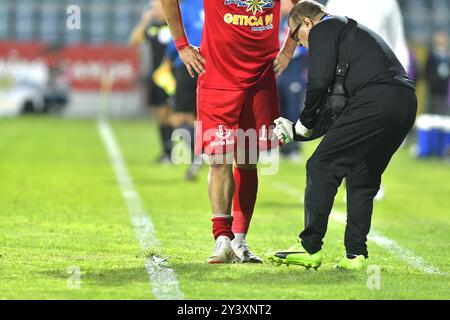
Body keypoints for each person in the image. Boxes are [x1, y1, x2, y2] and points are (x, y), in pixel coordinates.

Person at [271, 0, 417, 270]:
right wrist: (298, 131)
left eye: (295, 36)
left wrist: (302, 123)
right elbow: (339, 115)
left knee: (320, 166)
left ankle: (309, 246)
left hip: (377, 99)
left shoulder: (325, 28)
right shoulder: (346, 37)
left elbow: (319, 81)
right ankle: (355, 254)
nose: (299, 43)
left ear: (307, 23)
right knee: (362, 176)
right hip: (404, 102)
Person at [160, 0, 299, 263]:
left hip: (260, 80)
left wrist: (288, 51)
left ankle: (239, 240)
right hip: (218, 77)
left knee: (248, 161)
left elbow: (306, 9)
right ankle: (221, 239)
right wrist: (181, 46)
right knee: (219, 158)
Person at [129, 1, 173, 164]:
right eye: (153, 8)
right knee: (160, 114)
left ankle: (183, 151)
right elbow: (134, 41)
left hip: (172, 76)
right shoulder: (152, 27)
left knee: (175, 115)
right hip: (156, 76)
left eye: (158, 8)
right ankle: (167, 151)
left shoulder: (175, 26)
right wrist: (145, 21)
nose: (155, 11)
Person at [165, 0, 204, 180]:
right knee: (200, 117)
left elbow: (176, 35)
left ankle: (198, 155)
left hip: (187, 64)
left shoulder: (184, 7)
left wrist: (167, 59)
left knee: (180, 117)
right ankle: (202, 154)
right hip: (210, 64)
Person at [326, 0, 410, 71]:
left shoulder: (387, 2)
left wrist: (402, 81)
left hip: (385, 78)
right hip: (348, 80)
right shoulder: (335, 4)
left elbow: (398, 43)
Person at [277, 0, 309, 161]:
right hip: (277, 69)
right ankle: (281, 146)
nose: (282, 6)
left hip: (294, 69)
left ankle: (293, 147)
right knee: (278, 110)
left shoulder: (303, 22)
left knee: (292, 110)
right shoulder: (275, 21)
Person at [425, 31, 450, 116]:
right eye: (439, 43)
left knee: (443, 114)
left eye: (442, 43)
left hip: (444, 91)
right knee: (432, 114)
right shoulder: (432, 56)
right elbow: (427, 72)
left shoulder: (447, 57)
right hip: (433, 91)